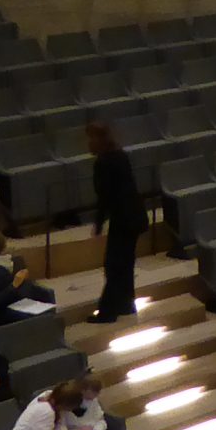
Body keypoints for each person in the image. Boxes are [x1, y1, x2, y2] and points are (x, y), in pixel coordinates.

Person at [87, 121, 146, 321]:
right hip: (134, 215)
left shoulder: (103, 163)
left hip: (123, 219)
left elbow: (105, 197)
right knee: (126, 264)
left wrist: (98, 223)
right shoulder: (120, 155)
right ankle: (126, 305)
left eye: (90, 139)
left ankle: (108, 311)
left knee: (114, 265)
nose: (88, 143)